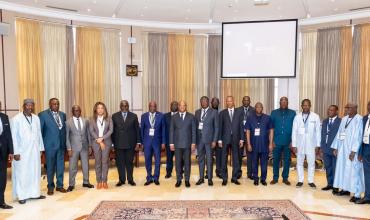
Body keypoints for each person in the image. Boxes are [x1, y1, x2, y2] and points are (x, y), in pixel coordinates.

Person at [11, 99, 46, 204]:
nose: (30, 107)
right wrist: (16, 152)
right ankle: (22, 195)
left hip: (34, 151)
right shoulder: (16, 119)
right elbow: (14, 137)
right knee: (22, 173)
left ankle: (35, 193)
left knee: (35, 172)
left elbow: (39, 134)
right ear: (23, 106)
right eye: (28, 105)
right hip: (22, 152)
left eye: (32, 105)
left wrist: (41, 148)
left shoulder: (36, 118)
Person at [332, 103, 364, 203]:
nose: (347, 109)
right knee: (342, 170)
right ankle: (345, 189)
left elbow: (359, 136)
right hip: (342, 149)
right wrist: (336, 147)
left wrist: (354, 151)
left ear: (355, 108)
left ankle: (357, 194)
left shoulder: (359, 119)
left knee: (354, 172)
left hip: (352, 150)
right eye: (346, 107)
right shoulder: (344, 119)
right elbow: (339, 133)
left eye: (349, 107)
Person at [39, 98, 67, 195]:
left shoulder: (63, 115)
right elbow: (40, 132)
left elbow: (64, 131)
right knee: (50, 167)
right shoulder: (43, 115)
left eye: (57, 104)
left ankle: (60, 185)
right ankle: (50, 186)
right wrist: (41, 147)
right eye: (54, 104)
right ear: (50, 105)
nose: (56, 105)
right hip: (49, 146)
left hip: (61, 146)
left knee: (60, 167)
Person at [292, 99, 321, 188]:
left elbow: (318, 132)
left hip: (311, 145)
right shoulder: (297, 117)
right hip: (300, 144)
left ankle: (310, 181)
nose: (306, 107)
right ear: (301, 106)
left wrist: (318, 145)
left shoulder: (315, 116)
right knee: (299, 162)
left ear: (310, 106)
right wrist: (294, 145)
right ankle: (300, 180)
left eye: (307, 105)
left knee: (311, 163)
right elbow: (294, 131)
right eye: (304, 105)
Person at [112, 100, 141, 187]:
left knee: (129, 162)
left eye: (126, 106)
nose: (124, 107)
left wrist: (138, 143)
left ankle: (130, 179)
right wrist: (112, 144)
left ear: (128, 106)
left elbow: (137, 130)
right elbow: (112, 131)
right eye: (122, 106)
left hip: (130, 144)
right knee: (120, 163)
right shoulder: (114, 116)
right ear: (120, 106)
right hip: (118, 143)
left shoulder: (134, 116)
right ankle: (121, 180)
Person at [66, 105, 94, 192]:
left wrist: (90, 146)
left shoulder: (86, 121)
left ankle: (86, 182)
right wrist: (69, 149)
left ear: (80, 111)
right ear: (72, 112)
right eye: (75, 110)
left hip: (85, 147)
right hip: (73, 148)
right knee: (72, 167)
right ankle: (71, 184)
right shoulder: (68, 122)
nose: (77, 112)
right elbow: (66, 137)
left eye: (78, 110)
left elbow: (88, 134)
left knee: (85, 166)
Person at [218, 96, 244, 186]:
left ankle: (234, 178)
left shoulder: (239, 112)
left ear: (233, 101)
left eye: (230, 101)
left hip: (236, 139)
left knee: (236, 159)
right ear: (226, 102)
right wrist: (219, 140)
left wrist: (242, 139)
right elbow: (220, 127)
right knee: (223, 159)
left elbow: (241, 126)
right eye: (227, 101)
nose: (229, 102)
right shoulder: (222, 113)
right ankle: (224, 178)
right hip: (225, 139)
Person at [169, 100, 196, 188]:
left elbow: (193, 131)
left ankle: (187, 180)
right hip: (177, 144)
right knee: (178, 162)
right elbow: (171, 131)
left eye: (183, 106)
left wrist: (193, 142)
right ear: (178, 107)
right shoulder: (174, 117)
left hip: (188, 143)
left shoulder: (191, 116)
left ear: (186, 106)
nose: (182, 107)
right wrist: (171, 143)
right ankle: (178, 179)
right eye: (180, 106)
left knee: (187, 162)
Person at [246, 102, 273, 186]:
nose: (259, 108)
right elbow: (247, 131)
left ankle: (263, 179)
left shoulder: (268, 118)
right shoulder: (250, 118)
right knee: (254, 163)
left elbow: (271, 130)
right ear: (255, 108)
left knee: (264, 163)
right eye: (257, 107)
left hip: (264, 145)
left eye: (260, 107)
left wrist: (271, 143)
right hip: (253, 145)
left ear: (262, 108)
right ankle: (256, 178)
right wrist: (248, 144)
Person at [270, 97, 296, 185]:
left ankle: (285, 178)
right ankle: (275, 178)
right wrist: (272, 141)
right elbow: (271, 128)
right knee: (276, 160)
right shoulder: (274, 113)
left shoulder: (293, 113)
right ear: (279, 103)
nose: (284, 103)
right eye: (282, 101)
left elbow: (295, 129)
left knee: (287, 161)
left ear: (288, 103)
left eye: (285, 101)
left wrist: (293, 141)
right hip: (276, 141)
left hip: (288, 142)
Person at [195, 96, 219, 186]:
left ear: (208, 102)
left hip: (209, 140)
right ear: (200, 102)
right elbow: (196, 127)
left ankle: (209, 178)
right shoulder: (197, 112)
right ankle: (201, 178)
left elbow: (216, 127)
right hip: (199, 140)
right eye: (202, 101)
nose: (203, 103)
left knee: (209, 160)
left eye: (205, 101)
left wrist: (214, 140)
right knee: (200, 159)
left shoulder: (214, 112)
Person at [140, 101, 166, 186]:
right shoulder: (143, 116)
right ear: (148, 107)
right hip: (147, 142)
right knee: (147, 160)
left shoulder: (161, 116)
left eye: (154, 106)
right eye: (151, 106)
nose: (152, 108)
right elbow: (142, 130)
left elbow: (163, 130)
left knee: (158, 160)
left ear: (156, 107)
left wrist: (163, 142)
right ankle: (149, 177)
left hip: (157, 142)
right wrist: (142, 143)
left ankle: (156, 178)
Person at [89, 102, 113, 189]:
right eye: (98, 108)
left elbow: (111, 130)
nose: (100, 110)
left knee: (105, 162)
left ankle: (105, 181)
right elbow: (91, 131)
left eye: (102, 108)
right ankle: (99, 181)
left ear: (104, 109)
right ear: (96, 109)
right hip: (96, 143)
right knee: (98, 163)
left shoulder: (109, 119)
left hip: (106, 142)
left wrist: (102, 138)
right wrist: (99, 140)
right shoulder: (91, 119)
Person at [320, 105, 341, 193]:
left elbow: (341, 136)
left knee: (335, 167)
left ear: (336, 111)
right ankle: (330, 184)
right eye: (329, 110)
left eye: (332, 110)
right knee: (328, 167)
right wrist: (321, 148)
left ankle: (336, 186)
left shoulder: (340, 121)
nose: (330, 112)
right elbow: (322, 135)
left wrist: (338, 147)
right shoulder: (324, 121)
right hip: (325, 147)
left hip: (335, 148)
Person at [237, 96, 255, 180]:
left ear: (250, 101)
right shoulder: (237, 110)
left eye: (248, 100)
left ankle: (250, 173)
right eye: (245, 100)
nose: (246, 101)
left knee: (250, 155)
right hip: (239, 136)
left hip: (250, 136)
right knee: (238, 155)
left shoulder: (254, 110)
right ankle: (238, 172)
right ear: (242, 101)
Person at [0, 101, 13, 209]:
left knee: (2, 178)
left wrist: (11, 151)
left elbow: (8, 135)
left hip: (3, 153)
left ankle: (1, 201)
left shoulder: (5, 117)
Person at [357, 101, 370, 204]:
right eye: (368, 105)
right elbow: (361, 136)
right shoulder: (364, 118)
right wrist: (360, 153)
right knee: (367, 174)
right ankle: (367, 196)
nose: (369, 107)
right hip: (366, 149)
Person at [164, 101, 178, 178]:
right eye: (172, 105)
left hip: (179, 142)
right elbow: (163, 129)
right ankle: (168, 172)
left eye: (176, 105)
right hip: (168, 141)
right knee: (169, 158)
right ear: (170, 106)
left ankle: (179, 172)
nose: (174, 106)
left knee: (179, 159)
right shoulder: (165, 116)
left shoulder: (181, 115)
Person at [211, 97, 222, 179]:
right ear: (211, 103)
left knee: (219, 156)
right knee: (209, 156)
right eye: (213, 102)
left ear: (219, 103)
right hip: (210, 138)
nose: (215, 103)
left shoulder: (221, 113)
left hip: (219, 138)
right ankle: (209, 172)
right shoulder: (208, 112)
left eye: (216, 102)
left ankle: (218, 171)